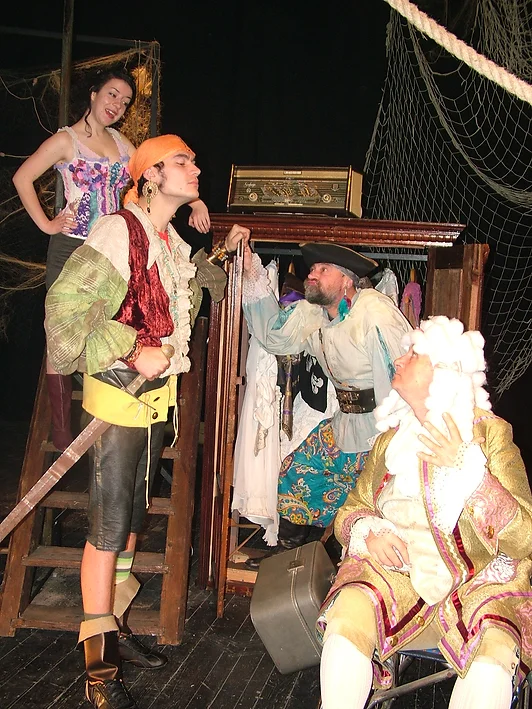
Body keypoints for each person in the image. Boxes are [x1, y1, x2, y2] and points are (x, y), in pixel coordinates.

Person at [44, 133, 250, 709]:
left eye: (193, 160)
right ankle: (98, 671)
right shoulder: (118, 231)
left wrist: (223, 253)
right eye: (182, 161)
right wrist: (134, 349)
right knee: (108, 529)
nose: (196, 167)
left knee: (134, 519)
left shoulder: (168, 240)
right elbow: (63, 312)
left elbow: (180, 296)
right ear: (150, 175)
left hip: (155, 400)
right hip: (119, 394)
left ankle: (115, 626)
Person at [318, 316, 532, 709]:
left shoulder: (489, 434)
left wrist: (471, 473)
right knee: (346, 615)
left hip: (475, 585)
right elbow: (350, 510)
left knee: (493, 658)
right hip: (396, 579)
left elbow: (525, 538)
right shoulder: (390, 441)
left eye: (413, 354)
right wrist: (367, 529)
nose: (399, 361)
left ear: (443, 370)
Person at [13, 68, 210, 451]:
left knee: (121, 323)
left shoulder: (122, 143)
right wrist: (48, 224)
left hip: (118, 245)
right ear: (93, 94)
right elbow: (23, 178)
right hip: (74, 243)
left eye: (125, 101)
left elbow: (152, 173)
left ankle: (115, 408)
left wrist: (195, 201)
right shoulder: (66, 140)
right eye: (112, 94)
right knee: (65, 326)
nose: (117, 105)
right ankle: (62, 427)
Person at [241, 242, 412, 561]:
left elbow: (399, 375)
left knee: (372, 498)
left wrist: (393, 439)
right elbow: (275, 336)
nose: (312, 274)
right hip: (345, 422)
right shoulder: (313, 313)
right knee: (297, 471)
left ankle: (345, 562)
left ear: (347, 280)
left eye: (323, 269)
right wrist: (251, 271)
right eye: (312, 269)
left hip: (382, 427)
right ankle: (291, 560)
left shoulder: (374, 312)